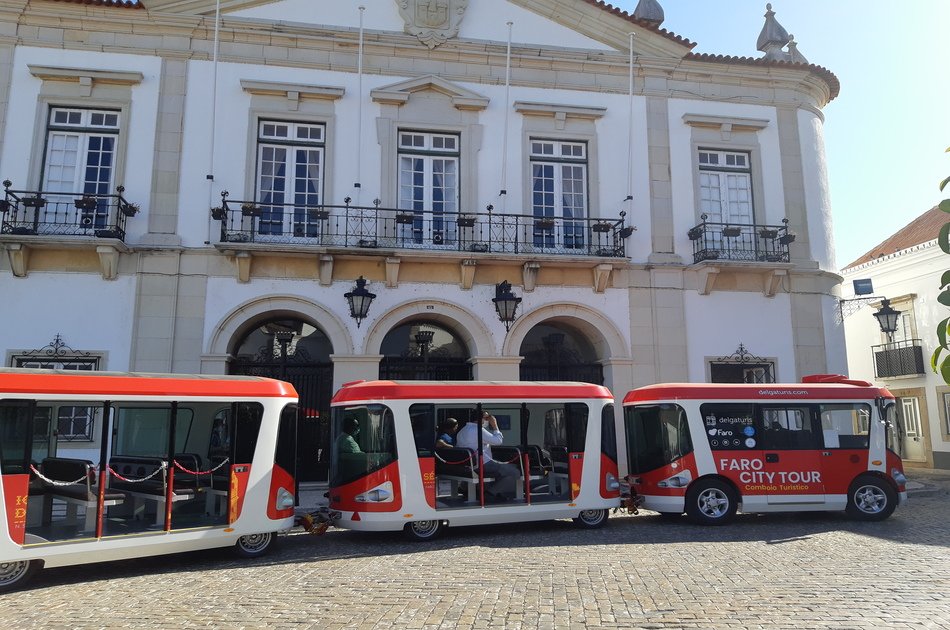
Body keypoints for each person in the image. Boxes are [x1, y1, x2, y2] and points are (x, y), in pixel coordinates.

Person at [455, 410, 520, 501]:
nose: (488, 420)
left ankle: (466, 488)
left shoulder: (463, 430)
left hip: (469, 465)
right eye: (487, 418)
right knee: (515, 472)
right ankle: (491, 493)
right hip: (482, 464)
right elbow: (498, 441)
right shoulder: (478, 429)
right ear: (480, 418)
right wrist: (494, 425)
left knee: (503, 470)